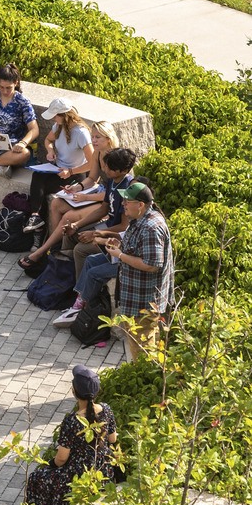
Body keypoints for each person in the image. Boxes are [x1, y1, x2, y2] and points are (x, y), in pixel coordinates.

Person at [56, 183, 174, 359]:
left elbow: (152, 264)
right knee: (136, 348)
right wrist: (120, 247)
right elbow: (136, 248)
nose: (123, 204)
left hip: (144, 302)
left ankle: (144, 379)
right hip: (134, 298)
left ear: (140, 204)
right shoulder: (138, 219)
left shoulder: (151, 228)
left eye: (127, 201)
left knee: (143, 351)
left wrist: (121, 255)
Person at [23, 365, 118, 505]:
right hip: (102, 471)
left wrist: (49, 465)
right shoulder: (107, 410)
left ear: (74, 392)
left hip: (78, 474)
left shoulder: (72, 420)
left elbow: (61, 459)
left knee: (37, 477)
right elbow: (112, 439)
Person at [19, 133, 132, 271]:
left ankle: (78, 289)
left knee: (79, 249)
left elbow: (123, 226)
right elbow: (103, 207)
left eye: (109, 168)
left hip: (115, 232)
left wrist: (96, 234)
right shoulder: (112, 180)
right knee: (69, 231)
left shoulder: (126, 189)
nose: (105, 170)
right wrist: (76, 225)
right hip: (105, 220)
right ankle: (57, 266)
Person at [23, 100, 96, 233]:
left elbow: (92, 163)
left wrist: (70, 171)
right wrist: (50, 151)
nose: (53, 119)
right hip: (59, 169)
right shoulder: (58, 126)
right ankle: (35, 216)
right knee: (37, 176)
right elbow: (48, 140)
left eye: (55, 116)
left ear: (65, 115)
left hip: (75, 174)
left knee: (42, 190)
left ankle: (38, 228)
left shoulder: (81, 133)